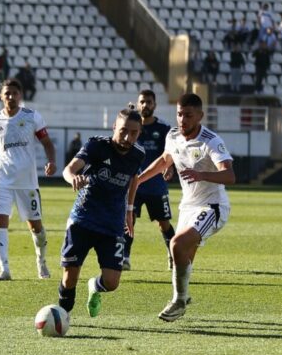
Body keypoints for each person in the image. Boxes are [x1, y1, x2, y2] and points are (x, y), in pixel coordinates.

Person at [133, 93, 235, 322]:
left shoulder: (211, 141)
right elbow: (164, 161)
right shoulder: (173, 136)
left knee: (176, 244)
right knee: (184, 256)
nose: (182, 119)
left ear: (200, 115)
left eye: (188, 115)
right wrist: (139, 179)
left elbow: (229, 175)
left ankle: (178, 301)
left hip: (213, 206)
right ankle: (184, 296)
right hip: (188, 207)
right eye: (179, 114)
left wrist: (201, 174)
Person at [58, 108, 145, 318]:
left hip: (112, 224)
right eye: (123, 130)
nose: (127, 137)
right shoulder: (97, 145)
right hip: (84, 218)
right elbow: (69, 169)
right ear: (114, 127)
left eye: (133, 133)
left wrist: (130, 210)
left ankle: (94, 287)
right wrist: (74, 178)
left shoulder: (138, 154)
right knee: (69, 277)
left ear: (139, 133)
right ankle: (62, 315)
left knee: (112, 283)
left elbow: (134, 179)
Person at [0, 78, 57, 281]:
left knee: (36, 227)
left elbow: (47, 143)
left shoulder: (32, 116)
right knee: (0, 219)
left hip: (27, 181)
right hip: (2, 179)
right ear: (1, 96)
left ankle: (41, 260)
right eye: (7, 93)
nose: (11, 97)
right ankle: (4, 269)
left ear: (21, 95)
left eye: (14, 93)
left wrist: (51, 161)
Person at [122, 90, 175, 271]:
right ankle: (125, 257)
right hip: (133, 185)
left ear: (155, 105)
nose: (145, 105)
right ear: (138, 104)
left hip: (156, 186)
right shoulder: (131, 126)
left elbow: (171, 153)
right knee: (129, 219)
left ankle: (173, 255)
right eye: (142, 102)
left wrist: (170, 167)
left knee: (163, 224)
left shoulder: (163, 129)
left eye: (149, 102)